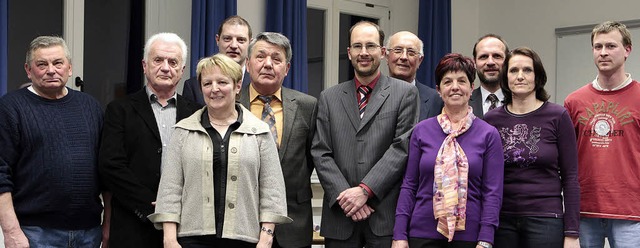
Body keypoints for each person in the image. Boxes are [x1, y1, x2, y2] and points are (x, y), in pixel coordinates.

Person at [148, 53, 291, 248]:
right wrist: (170, 239)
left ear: (237, 86)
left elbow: (272, 191)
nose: (214, 89)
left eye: (222, 82)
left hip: (245, 240)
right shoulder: (182, 131)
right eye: (207, 84)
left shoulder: (259, 132)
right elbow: (170, 191)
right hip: (191, 240)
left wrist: (266, 238)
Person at [311, 21, 419, 247]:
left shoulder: (405, 94)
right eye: (357, 46)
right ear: (349, 53)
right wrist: (347, 197)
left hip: (383, 218)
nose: (364, 53)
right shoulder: (329, 97)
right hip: (341, 217)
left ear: (382, 52)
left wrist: (365, 191)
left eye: (370, 46)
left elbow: (401, 148)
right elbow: (321, 151)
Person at [0, 36, 106, 248]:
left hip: (89, 232)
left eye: (58, 63)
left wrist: (108, 227)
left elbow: (106, 172)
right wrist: (11, 231)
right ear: (28, 70)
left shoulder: (90, 107)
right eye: (42, 64)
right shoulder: (11, 107)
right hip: (34, 233)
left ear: (69, 68)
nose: (51, 70)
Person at [99, 32, 201, 248]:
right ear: (145, 66)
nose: (165, 67)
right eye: (158, 60)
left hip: (185, 226)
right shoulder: (119, 110)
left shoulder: (198, 114)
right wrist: (151, 204)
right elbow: (111, 166)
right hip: (133, 224)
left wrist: (175, 206)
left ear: (182, 71)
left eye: (173, 62)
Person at [392, 53, 504, 248]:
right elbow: (409, 186)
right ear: (438, 90)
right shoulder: (421, 131)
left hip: (470, 237)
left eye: (462, 81)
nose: (455, 87)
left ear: (471, 88)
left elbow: (492, 193)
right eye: (447, 82)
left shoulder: (488, 134)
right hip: (421, 234)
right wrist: (399, 235)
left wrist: (486, 239)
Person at [484, 47, 580, 248]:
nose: (520, 76)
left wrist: (572, 233)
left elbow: (571, 178)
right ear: (505, 77)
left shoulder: (558, 116)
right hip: (503, 220)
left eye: (527, 70)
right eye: (513, 70)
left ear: (538, 76)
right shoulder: (491, 120)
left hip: (546, 218)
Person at [564, 20, 640, 248]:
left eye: (611, 46)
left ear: (627, 50)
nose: (603, 53)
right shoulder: (574, 101)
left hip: (631, 213)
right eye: (598, 47)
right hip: (584, 212)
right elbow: (565, 160)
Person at [237, 32, 317, 248]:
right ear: (247, 63)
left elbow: (312, 159)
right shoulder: (232, 104)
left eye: (276, 58)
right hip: (241, 222)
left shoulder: (307, 106)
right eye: (260, 56)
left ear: (287, 68)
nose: (268, 64)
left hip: (294, 223)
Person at [183, 15, 253, 105]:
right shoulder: (193, 87)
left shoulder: (257, 84)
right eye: (227, 39)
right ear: (217, 40)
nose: (234, 46)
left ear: (250, 44)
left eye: (240, 40)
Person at [386, 31, 443, 120]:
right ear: (387, 56)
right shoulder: (373, 95)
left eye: (411, 52)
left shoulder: (436, 100)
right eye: (398, 50)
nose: (404, 57)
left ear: (420, 60)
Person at [469, 34, 509, 119]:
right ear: (474, 63)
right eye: (483, 57)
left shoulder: (520, 100)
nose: (490, 62)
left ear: (508, 61)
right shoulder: (463, 103)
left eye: (497, 56)